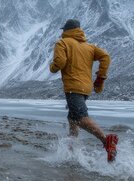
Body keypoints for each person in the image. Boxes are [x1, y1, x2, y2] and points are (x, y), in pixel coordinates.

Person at [49, 19, 118, 162]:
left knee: (80, 118)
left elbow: (60, 63)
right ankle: (72, 149)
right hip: (86, 88)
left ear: (66, 31)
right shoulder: (89, 47)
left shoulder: (62, 43)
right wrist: (100, 77)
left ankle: (106, 141)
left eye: (63, 30)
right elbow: (106, 56)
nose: (62, 33)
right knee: (72, 118)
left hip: (73, 87)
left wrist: (53, 67)